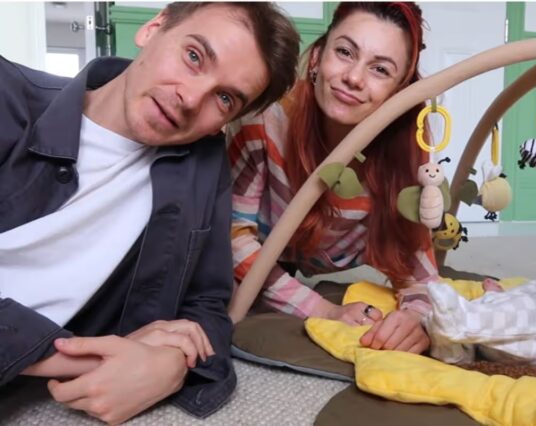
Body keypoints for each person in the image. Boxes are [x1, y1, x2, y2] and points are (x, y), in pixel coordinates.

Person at [0, 2, 299, 424]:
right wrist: (74, 358)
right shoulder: (9, 95)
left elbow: (207, 302)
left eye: (225, 98)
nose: (190, 98)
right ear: (153, 28)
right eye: (194, 56)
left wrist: (172, 363)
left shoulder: (201, 163)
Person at [227, 2, 438, 355]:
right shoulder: (264, 120)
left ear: (399, 91)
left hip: (329, 250)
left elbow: (419, 272)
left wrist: (417, 318)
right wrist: (324, 310)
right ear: (316, 58)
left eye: (380, 69)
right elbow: (231, 235)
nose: (354, 77)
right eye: (344, 52)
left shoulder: (408, 149)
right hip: (267, 247)